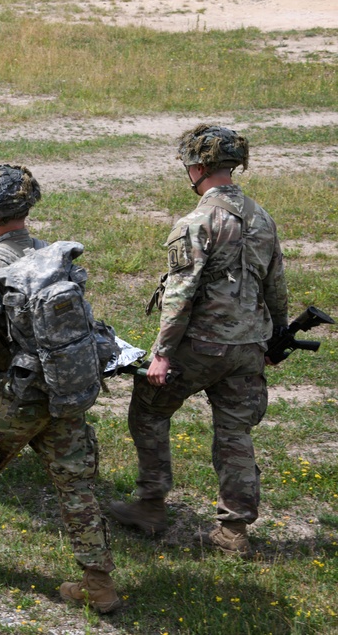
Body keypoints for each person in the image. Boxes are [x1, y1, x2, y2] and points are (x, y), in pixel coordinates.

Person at [0, 163, 120, 614]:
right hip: (62, 389)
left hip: (18, 395)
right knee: (75, 484)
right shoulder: (49, 254)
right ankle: (99, 583)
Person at [109, 124, 288, 556]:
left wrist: (162, 355)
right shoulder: (262, 217)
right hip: (247, 349)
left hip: (201, 347)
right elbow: (276, 288)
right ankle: (234, 531)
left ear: (199, 166)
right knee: (235, 434)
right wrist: (273, 341)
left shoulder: (197, 222)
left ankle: (150, 504)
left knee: (149, 410)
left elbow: (180, 294)